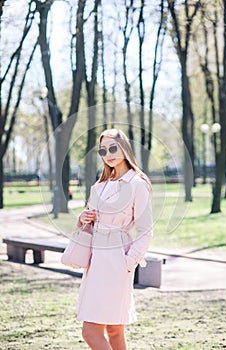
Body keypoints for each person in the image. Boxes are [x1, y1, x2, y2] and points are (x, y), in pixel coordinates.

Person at [76, 128, 153, 350]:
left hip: (117, 260)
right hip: (96, 261)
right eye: (103, 150)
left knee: (90, 332)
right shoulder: (99, 186)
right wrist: (83, 217)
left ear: (124, 148)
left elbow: (145, 231)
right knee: (114, 330)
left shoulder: (137, 183)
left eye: (113, 147)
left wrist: (127, 264)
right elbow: (89, 222)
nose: (108, 154)